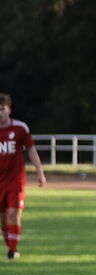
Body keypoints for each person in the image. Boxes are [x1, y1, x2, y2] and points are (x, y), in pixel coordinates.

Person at [0, 93, 46, 260]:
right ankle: (11, 245)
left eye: (2, 109)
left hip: (15, 181)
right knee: (4, 219)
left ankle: (12, 250)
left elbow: (31, 150)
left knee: (14, 213)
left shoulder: (20, 128)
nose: (0, 113)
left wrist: (40, 172)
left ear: (9, 110)